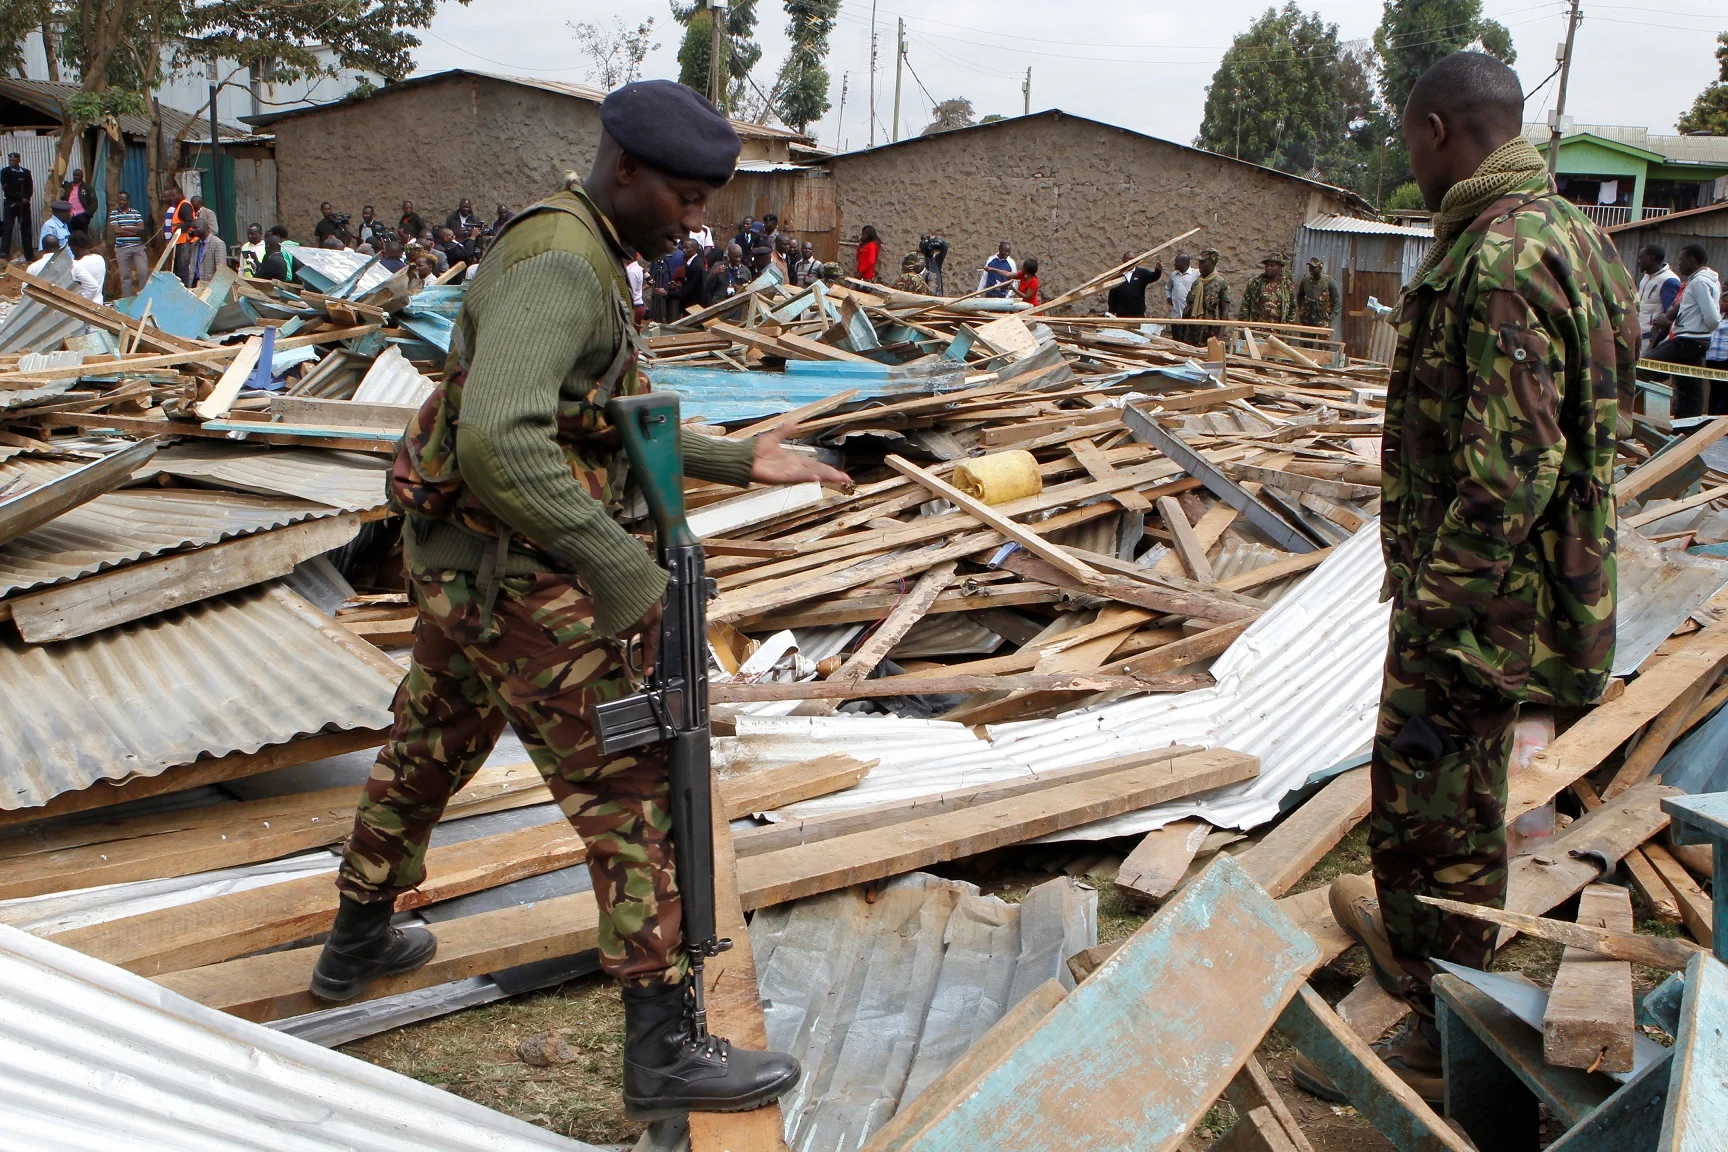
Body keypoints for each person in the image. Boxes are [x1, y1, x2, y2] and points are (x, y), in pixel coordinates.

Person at [313, 78, 834, 1121]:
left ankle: (356, 941)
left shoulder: (587, 247)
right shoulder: (562, 264)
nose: (700, 221)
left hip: (473, 565)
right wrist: (618, 564)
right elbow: (501, 438)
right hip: (527, 574)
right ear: (625, 169)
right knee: (635, 786)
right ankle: (663, 1052)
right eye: (687, 198)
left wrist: (735, 460)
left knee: (430, 744)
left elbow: (585, 412)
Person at [1288, 52, 1633, 1108]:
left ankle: (1445, 1038)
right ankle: (1450, 1001)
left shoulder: (1499, 258)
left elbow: (1506, 471)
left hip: (1484, 612)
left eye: (1407, 142)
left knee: (1431, 825)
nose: (1410, 161)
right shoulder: (1577, 235)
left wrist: (1436, 611)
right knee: (1466, 811)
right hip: (1542, 596)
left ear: (1437, 129)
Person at [1649, 243, 1721, 416]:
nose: (1678, 264)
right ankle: (1687, 428)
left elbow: (1712, 317)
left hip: (1688, 340)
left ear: (1692, 260)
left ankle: (1645, 415)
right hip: (1696, 339)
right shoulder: (1705, 280)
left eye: (1681, 260)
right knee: (1689, 387)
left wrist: (1700, 328)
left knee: (1643, 369)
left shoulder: (1699, 282)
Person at [1635, 245, 1682, 356]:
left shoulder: (1669, 281)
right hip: (1639, 333)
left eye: (1641, 258)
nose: (1638, 262)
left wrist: (1656, 341)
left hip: (1650, 337)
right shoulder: (1646, 277)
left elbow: (1669, 316)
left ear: (1652, 258)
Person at [1181, 248, 1231, 346]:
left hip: (1210, 333)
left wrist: (1220, 336)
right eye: (1199, 262)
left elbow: (1225, 312)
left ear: (1212, 263)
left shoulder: (1221, 283)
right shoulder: (1197, 283)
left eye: (1203, 262)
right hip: (1192, 332)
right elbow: (1188, 307)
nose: (1200, 265)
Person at [109, 190, 150, 296]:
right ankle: (128, 299)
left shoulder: (135, 212)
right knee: (125, 276)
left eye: (124, 200)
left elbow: (141, 227)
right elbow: (116, 230)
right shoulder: (114, 214)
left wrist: (125, 228)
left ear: (128, 201)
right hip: (122, 248)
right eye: (120, 200)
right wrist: (133, 231)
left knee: (143, 272)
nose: (122, 202)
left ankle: (144, 297)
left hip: (138, 248)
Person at [1239, 252, 1296, 323]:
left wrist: (1288, 325)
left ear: (1280, 267)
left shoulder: (1287, 285)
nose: (1268, 268)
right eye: (1267, 265)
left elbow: (1292, 308)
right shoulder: (1255, 283)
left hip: (1278, 330)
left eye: (1272, 266)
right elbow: (1245, 305)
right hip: (1257, 329)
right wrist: (1243, 326)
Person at [1106, 251, 1162, 318]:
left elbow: (1153, 276)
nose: (1130, 262)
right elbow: (1112, 296)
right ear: (1123, 261)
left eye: (1132, 259)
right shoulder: (1117, 276)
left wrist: (1158, 271)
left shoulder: (1141, 273)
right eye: (1128, 259)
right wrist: (1111, 311)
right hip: (1122, 315)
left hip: (1138, 315)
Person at [2, 152, 34, 261]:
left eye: (13, 160)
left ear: (18, 160)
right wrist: (18, 198)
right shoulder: (5, 172)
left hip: (24, 205)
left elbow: (30, 187)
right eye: (10, 160)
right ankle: (4, 253)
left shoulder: (26, 172)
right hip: (10, 204)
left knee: (26, 228)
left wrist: (26, 198)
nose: (11, 162)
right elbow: (6, 187)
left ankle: (29, 255)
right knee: (8, 227)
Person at [1296, 256, 1343, 331]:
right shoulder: (1305, 281)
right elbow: (1300, 297)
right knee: (1306, 342)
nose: (1311, 269)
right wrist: (1302, 311)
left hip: (1323, 321)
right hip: (1307, 321)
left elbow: (1337, 303)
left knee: (1323, 342)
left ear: (1320, 268)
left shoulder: (1329, 281)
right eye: (1310, 267)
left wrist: (1330, 319)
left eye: (1314, 267)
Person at [704, 241, 748, 305]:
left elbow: (749, 291)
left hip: (737, 305)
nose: (738, 259)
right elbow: (707, 288)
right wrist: (713, 274)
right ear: (729, 255)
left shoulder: (746, 271)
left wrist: (741, 289)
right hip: (719, 303)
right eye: (735, 256)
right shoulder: (718, 266)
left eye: (740, 256)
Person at [68, 230, 105, 304]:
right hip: (99, 303)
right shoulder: (100, 258)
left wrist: (81, 302)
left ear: (76, 248)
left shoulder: (76, 265)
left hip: (86, 307)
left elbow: (92, 287)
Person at [188, 220, 227, 288]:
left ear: (205, 227)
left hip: (209, 284)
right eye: (192, 228)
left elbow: (221, 269)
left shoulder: (218, 243)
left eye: (196, 228)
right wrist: (188, 241)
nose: (193, 231)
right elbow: (185, 261)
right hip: (195, 283)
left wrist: (215, 286)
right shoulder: (195, 244)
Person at [1164, 252, 1200, 320]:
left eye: (1177, 262)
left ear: (1185, 263)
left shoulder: (1196, 274)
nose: (1174, 264)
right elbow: (1168, 288)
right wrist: (1169, 298)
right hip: (1176, 316)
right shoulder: (1174, 275)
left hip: (1190, 316)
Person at [62, 168, 93, 233]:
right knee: (70, 235)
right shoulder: (68, 186)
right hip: (70, 215)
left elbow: (94, 202)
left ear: (82, 176)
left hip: (82, 215)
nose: (76, 177)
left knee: (82, 235)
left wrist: (87, 214)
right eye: (75, 175)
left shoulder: (87, 187)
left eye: (78, 175)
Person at [627, 251, 648, 326]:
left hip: (635, 307)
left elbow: (630, 292)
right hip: (639, 305)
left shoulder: (631, 272)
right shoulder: (638, 268)